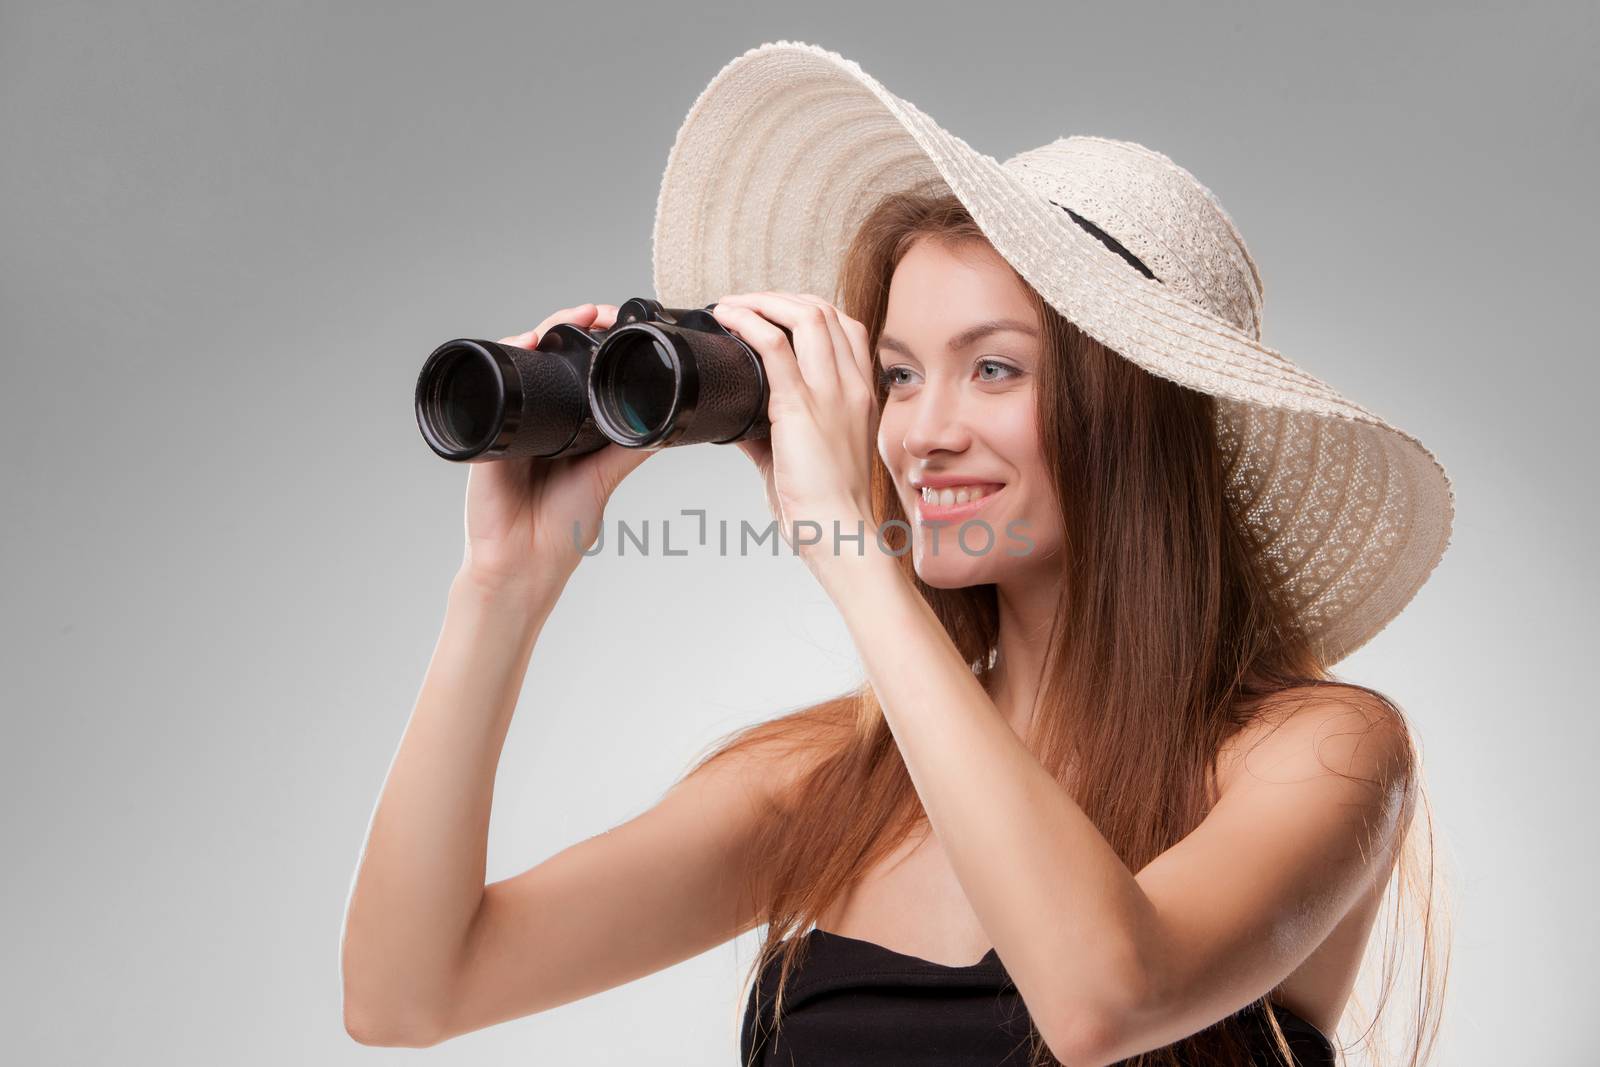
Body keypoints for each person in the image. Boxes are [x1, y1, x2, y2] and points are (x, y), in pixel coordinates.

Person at [342, 41, 1453, 1067]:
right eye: (899, 373)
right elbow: (407, 992)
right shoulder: (826, 786)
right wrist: (503, 583)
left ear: (1137, 419)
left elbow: (1100, 998)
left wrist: (845, 545)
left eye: (995, 369)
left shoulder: (1319, 753)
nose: (920, 433)